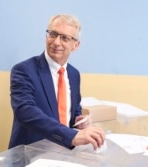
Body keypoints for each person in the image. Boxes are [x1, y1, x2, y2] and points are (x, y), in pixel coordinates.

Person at [8, 14, 105, 150]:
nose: (56, 42)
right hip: (30, 154)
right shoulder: (24, 70)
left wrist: (80, 122)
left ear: (75, 45)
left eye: (65, 38)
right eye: (53, 34)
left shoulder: (74, 74)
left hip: (63, 153)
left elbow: (74, 110)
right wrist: (70, 136)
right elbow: (25, 112)